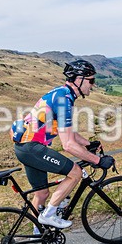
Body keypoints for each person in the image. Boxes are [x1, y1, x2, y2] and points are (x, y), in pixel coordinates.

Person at [10, 59, 114, 229]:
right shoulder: (64, 100)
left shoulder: (60, 94)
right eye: (91, 81)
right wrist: (98, 161)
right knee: (75, 173)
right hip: (32, 148)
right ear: (78, 79)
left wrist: (88, 144)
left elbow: (65, 131)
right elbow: (68, 145)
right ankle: (50, 215)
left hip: (24, 147)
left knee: (42, 194)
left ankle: (38, 235)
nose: (93, 85)